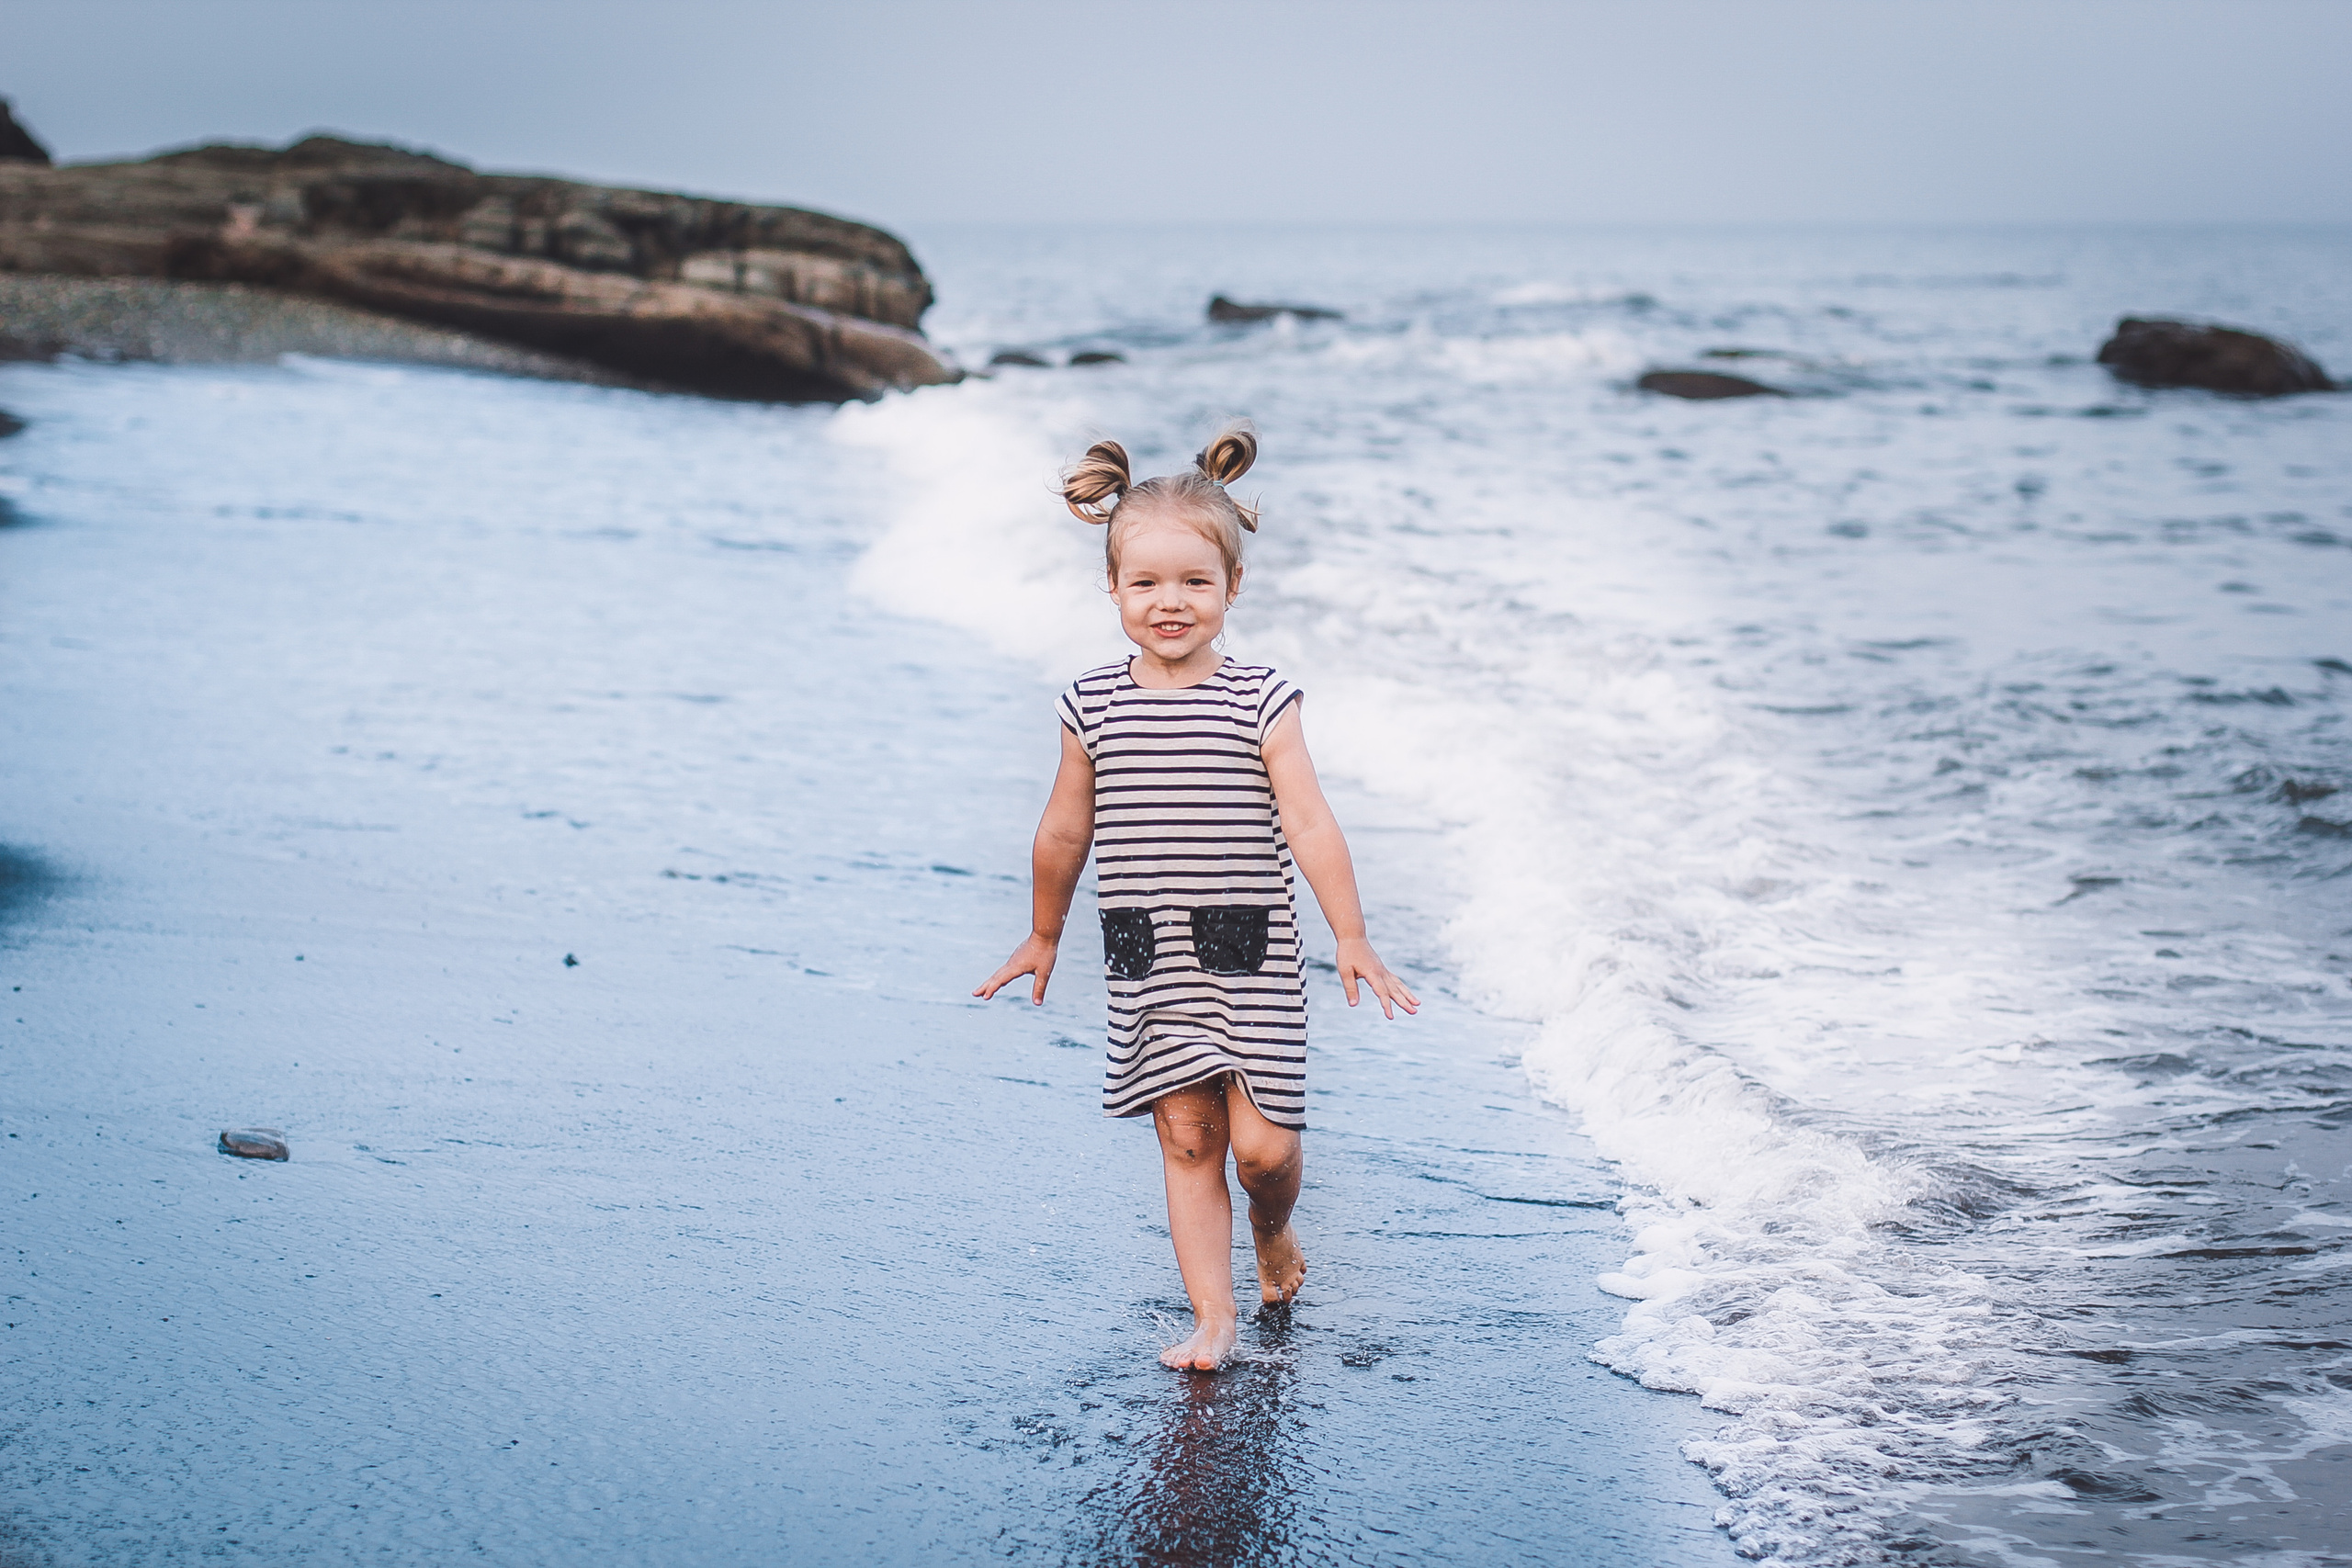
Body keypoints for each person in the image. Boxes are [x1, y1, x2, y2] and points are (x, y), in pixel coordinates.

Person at [975, 421, 1419, 1372]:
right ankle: (1212, 1316)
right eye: (1145, 583)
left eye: (1193, 583)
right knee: (1185, 1137)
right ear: (1112, 589)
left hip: (1250, 957)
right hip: (1150, 958)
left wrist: (1352, 935)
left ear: (1231, 588)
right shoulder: (1090, 703)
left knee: (1258, 1150)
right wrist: (1042, 934)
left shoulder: (1262, 698)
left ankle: (1272, 1228)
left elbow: (1309, 823)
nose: (1168, 602)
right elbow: (1063, 829)